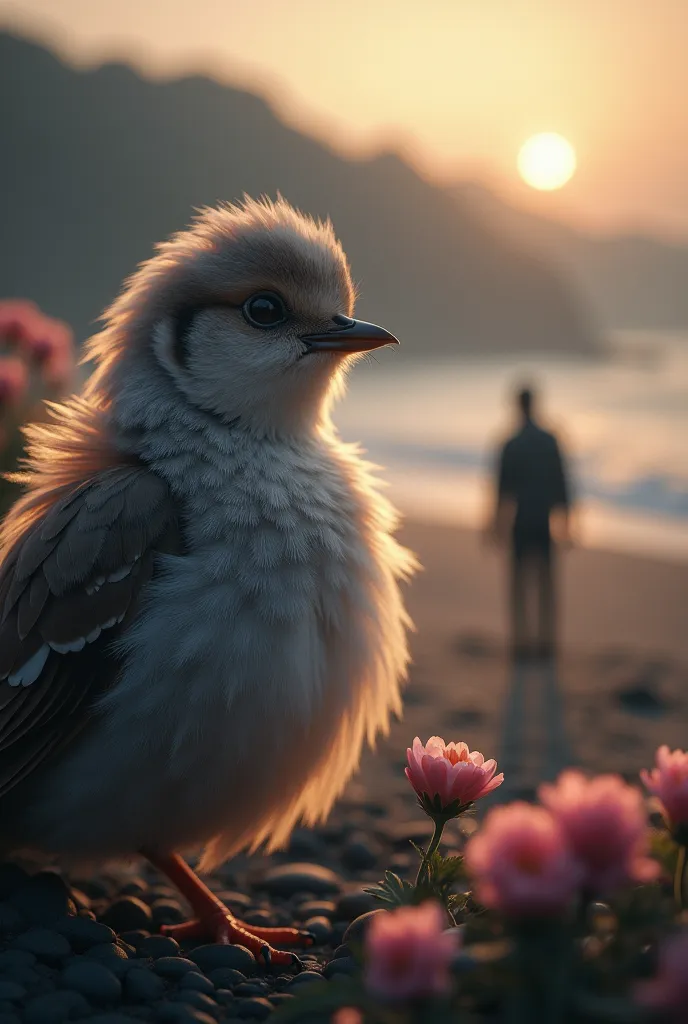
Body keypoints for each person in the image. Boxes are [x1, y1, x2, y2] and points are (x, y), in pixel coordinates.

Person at [490, 386, 572, 659]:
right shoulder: (550, 440)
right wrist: (567, 524)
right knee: (546, 584)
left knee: (519, 585)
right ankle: (547, 643)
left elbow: (501, 491)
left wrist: (496, 526)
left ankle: (520, 643)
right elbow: (562, 484)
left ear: (517, 405)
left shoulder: (511, 443)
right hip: (543, 521)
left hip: (521, 521)